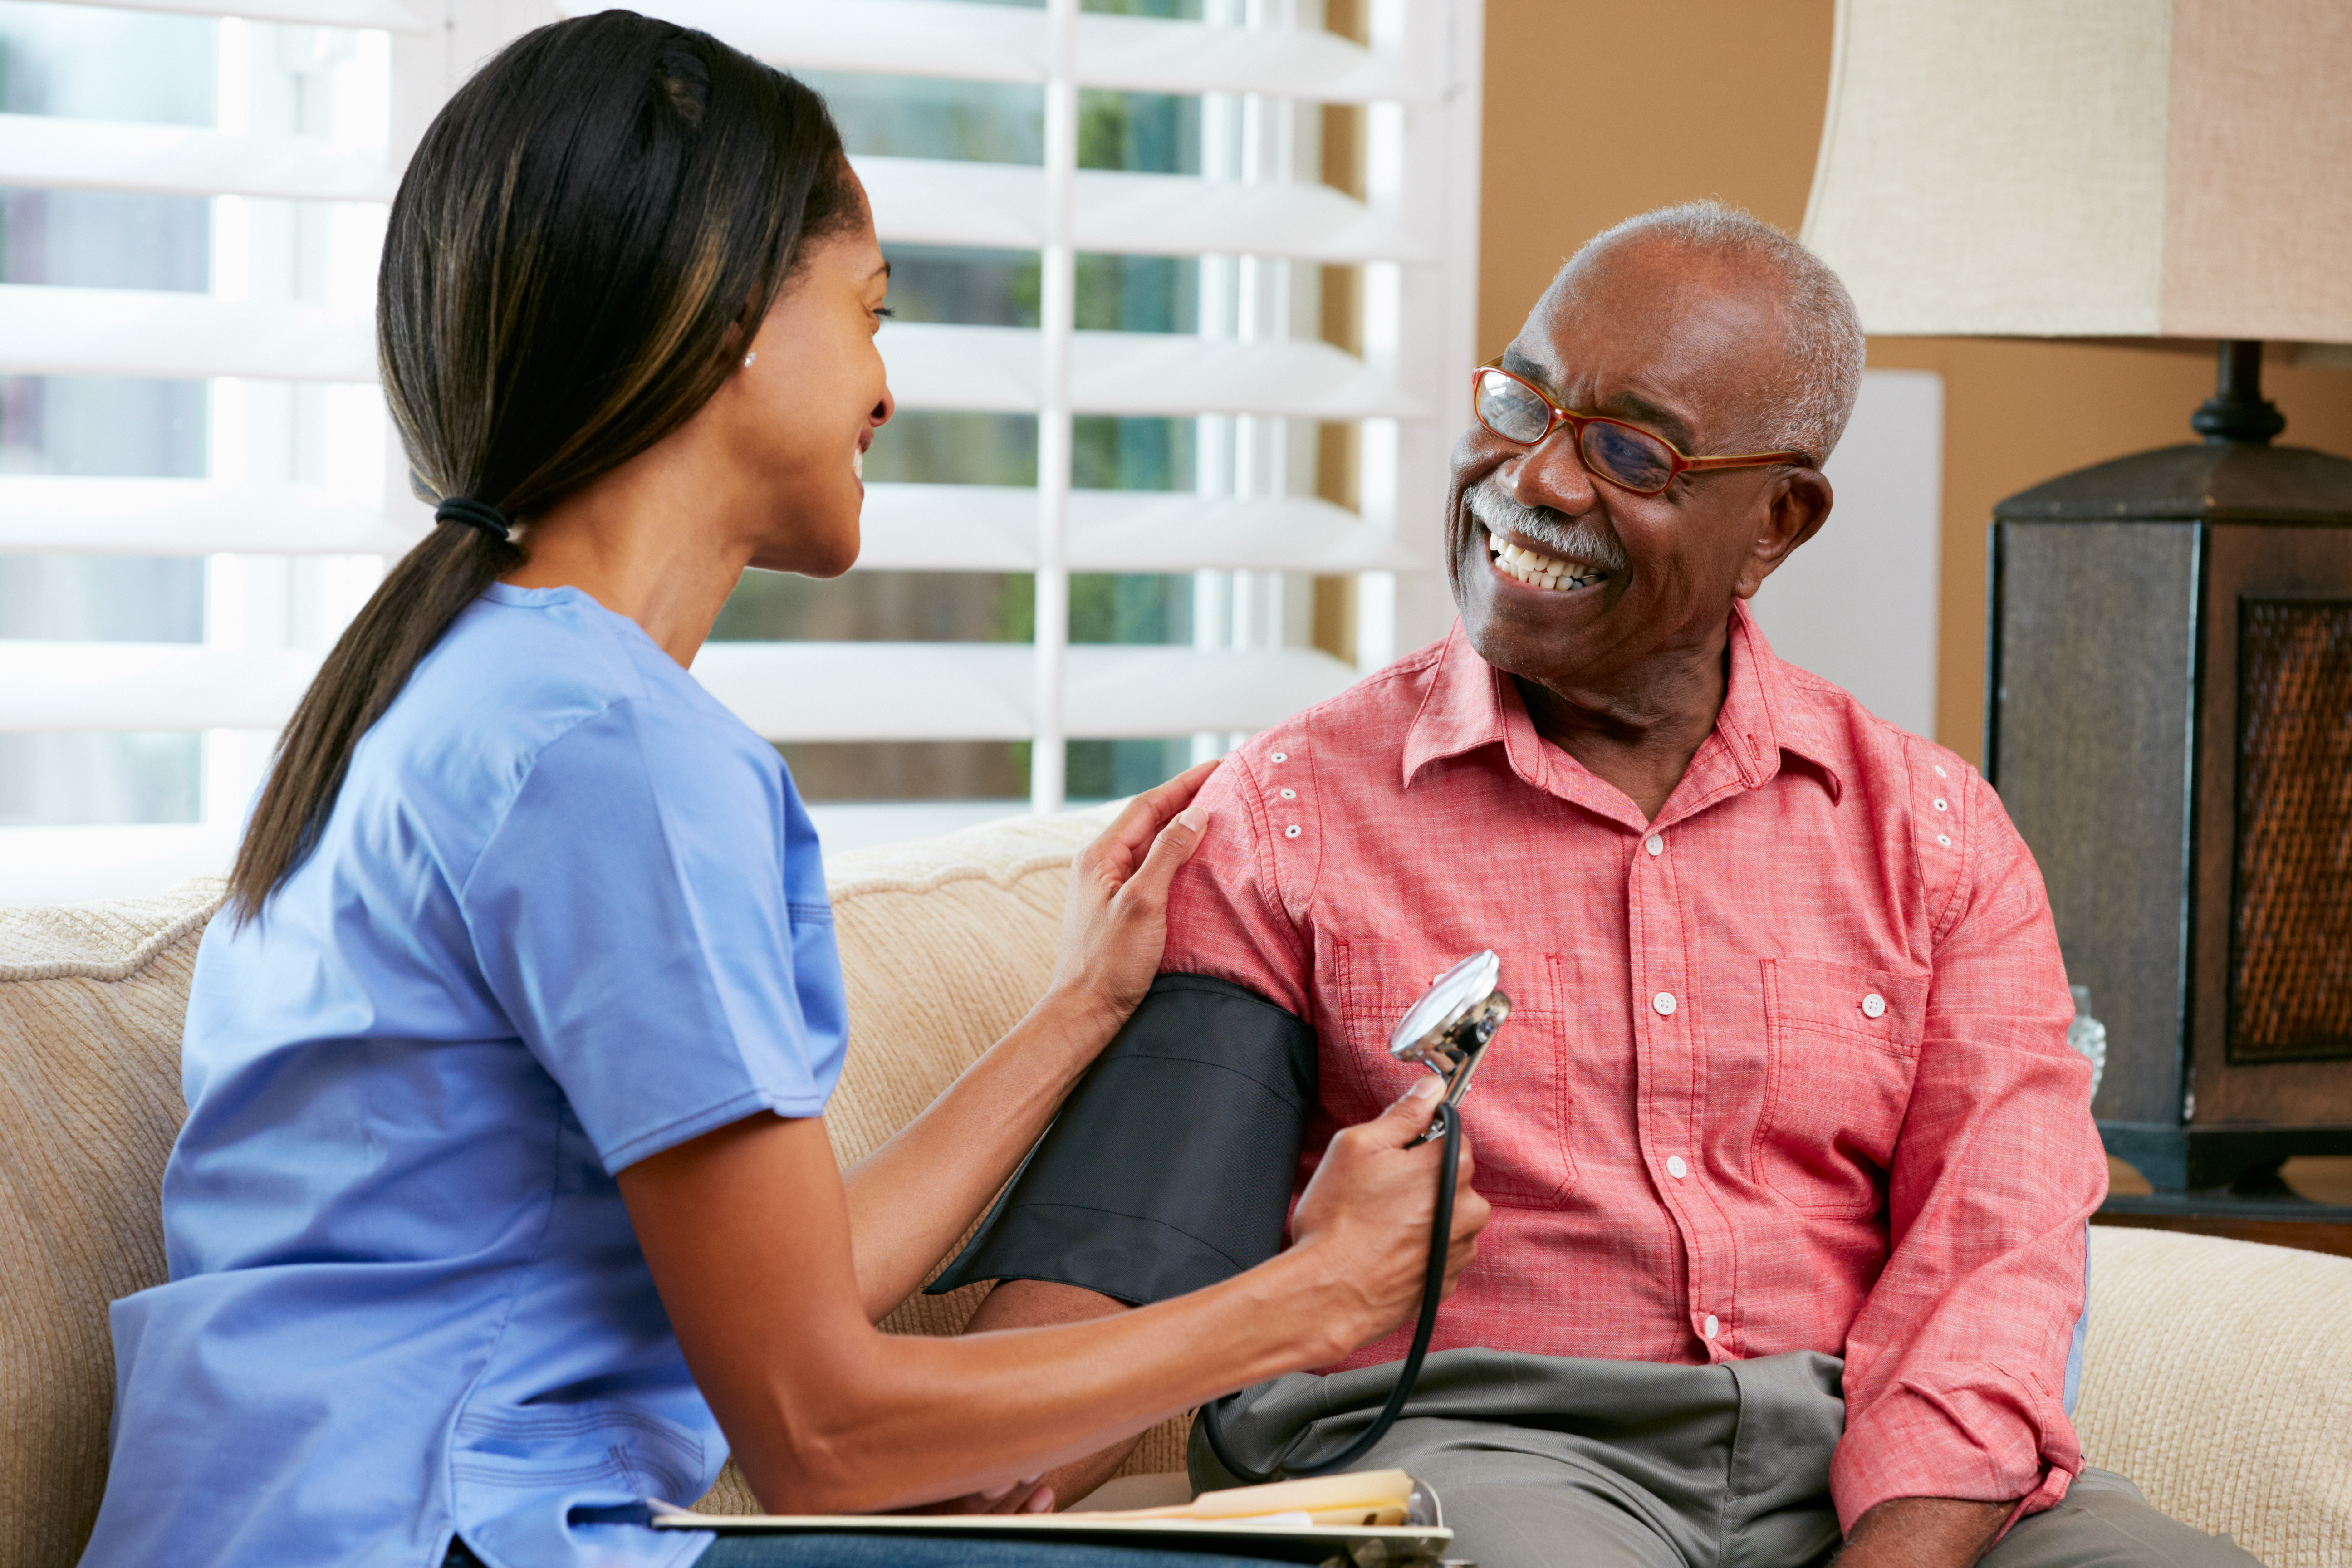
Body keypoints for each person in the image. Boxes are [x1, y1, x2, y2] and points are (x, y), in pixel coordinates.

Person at [70, 15, 1491, 1568]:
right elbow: (820, 1435)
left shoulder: (455, 693)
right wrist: (1308, 1301)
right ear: (725, 312)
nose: (886, 391)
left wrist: (1077, 1010)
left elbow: (793, 1294)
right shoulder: (613, 756)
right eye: (871, 313)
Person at [956, 205, 2260, 1568]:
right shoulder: (1286, 820)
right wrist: (966, 1455)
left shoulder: (1936, 837)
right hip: (1482, 1455)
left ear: (1778, 523)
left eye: (1631, 450)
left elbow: (1994, 1265)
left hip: (1866, 1467)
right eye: (1523, 400)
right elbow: (1129, 1263)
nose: (1543, 481)